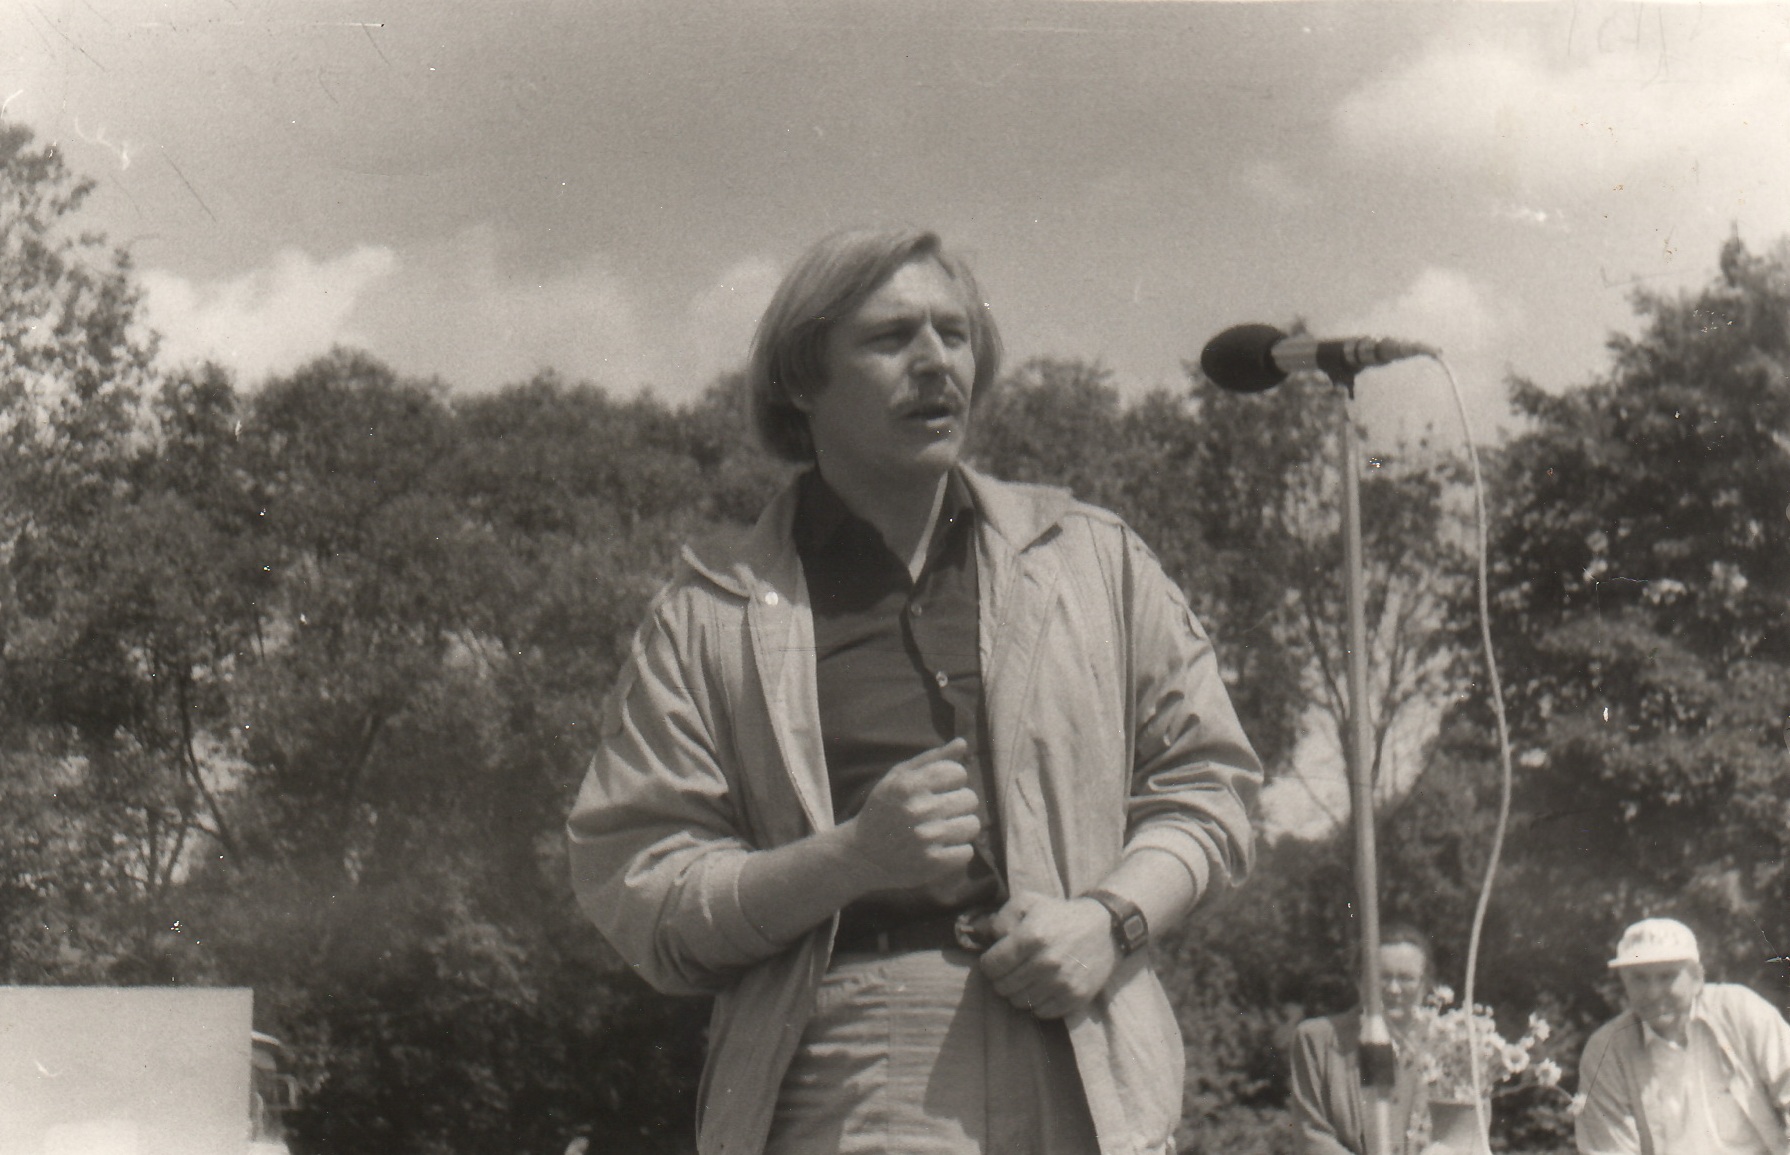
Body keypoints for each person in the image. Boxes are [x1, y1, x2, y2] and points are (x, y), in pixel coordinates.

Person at [566, 227, 1262, 1155]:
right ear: (801, 380)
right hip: (857, 1068)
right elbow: (642, 882)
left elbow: (1212, 784)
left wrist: (1111, 919)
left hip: (1095, 1054)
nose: (937, 362)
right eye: (892, 337)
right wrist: (851, 857)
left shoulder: (1094, 558)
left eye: (955, 333)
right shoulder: (711, 610)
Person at [1576, 917, 1790, 1155]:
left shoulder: (1740, 1012)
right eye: (1639, 978)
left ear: (1697, 978)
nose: (1653, 993)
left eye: (1667, 976)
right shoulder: (1606, 1051)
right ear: (1624, 982)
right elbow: (1608, 1149)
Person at [1289, 924, 1435, 1154]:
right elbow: (1312, 1136)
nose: (1394, 989)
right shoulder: (1318, 1040)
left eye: (1406, 978)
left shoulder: (1447, 1044)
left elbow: (1466, 1129)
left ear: (1425, 984)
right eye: (1382, 977)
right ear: (1360, 981)